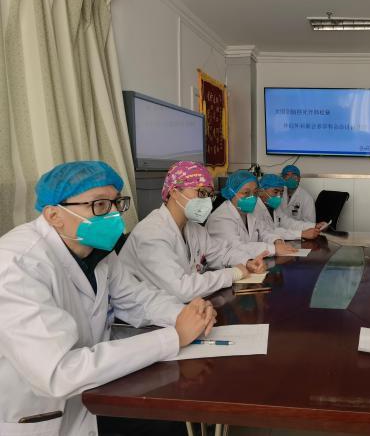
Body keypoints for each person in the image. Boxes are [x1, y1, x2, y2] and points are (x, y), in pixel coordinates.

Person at [0, 161, 216, 436]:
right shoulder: (16, 265)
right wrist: (173, 337)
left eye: (116, 203)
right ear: (54, 215)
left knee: (167, 418)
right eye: (100, 205)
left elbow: (138, 298)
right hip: (43, 414)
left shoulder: (97, 251)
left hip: (93, 393)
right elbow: (60, 372)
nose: (114, 214)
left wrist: (186, 315)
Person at [120, 161, 267, 303]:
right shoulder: (151, 232)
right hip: (143, 313)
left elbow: (220, 253)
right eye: (202, 193)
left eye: (209, 195)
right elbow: (181, 289)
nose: (207, 202)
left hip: (176, 306)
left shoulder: (193, 228)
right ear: (174, 192)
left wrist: (247, 262)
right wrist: (232, 273)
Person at [207, 170, 297, 256]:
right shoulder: (221, 217)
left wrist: (276, 240)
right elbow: (236, 247)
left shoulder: (250, 212)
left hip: (249, 262)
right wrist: (273, 249)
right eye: (246, 193)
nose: (252, 197)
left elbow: (264, 232)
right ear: (232, 192)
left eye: (255, 193)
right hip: (227, 266)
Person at [256, 174, 324, 241]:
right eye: (275, 192)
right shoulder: (256, 209)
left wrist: (313, 226)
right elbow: (269, 232)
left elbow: (288, 223)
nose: (279, 196)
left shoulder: (273, 207)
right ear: (261, 191)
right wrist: (301, 234)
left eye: (281, 193)